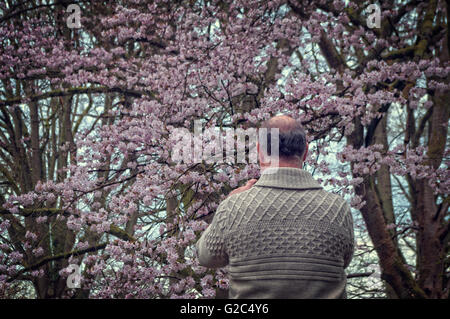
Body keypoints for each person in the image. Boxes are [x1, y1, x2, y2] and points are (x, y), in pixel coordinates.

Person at [196, 115, 354, 298]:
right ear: (305, 152)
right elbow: (344, 260)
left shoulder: (233, 207)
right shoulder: (338, 209)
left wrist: (228, 203)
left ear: (260, 151)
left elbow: (205, 256)